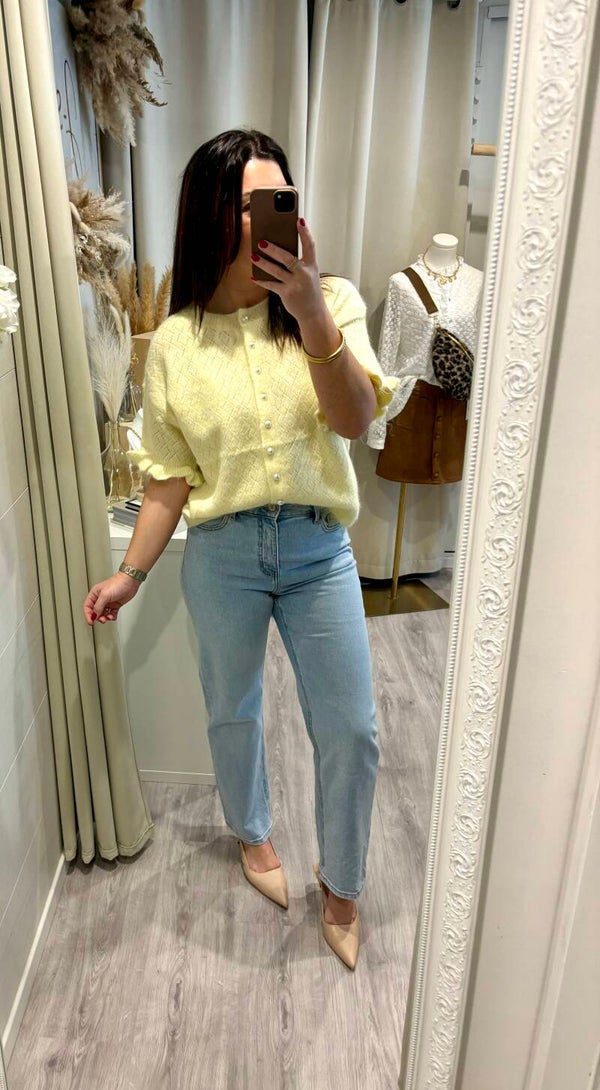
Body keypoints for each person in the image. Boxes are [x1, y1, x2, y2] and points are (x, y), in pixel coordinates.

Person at [83, 129, 397, 970]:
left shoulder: (331, 300)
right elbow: (167, 481)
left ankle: (342, 885)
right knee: (233, 709)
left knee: (352, 728)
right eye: (248, 203)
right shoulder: (176, 344)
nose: (266, 219)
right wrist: (130, 573)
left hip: (318, 548)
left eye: (278, 200)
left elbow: (355, 419)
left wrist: (312, 313)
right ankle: (253, 834)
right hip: (221, 553)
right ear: (211, 213)